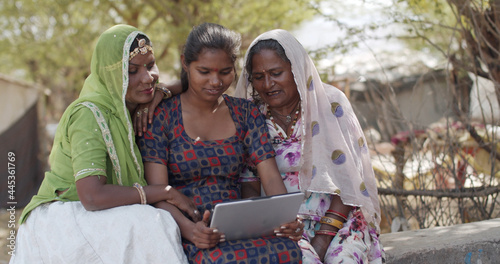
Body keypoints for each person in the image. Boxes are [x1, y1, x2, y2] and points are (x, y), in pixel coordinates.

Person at [10, 25, 190, 264]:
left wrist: (161, 92)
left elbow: (191, 83)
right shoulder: (89, 114)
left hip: (106, 211)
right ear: (110, 74)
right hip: (68, 216)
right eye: (132, 70)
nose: (147, 78)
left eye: (150, 65)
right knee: (152, 224)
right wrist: (164, 192)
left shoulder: (131, 106)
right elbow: (92, 197)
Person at [138, 23, 303, 264]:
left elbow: (269, 176)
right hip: (185, 225)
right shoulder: (161, 116)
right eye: (204, 71)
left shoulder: (245, 113)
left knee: (288, 251)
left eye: (225, 72)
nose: (215, 81)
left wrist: (286, 218)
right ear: (186, 63)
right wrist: (189, 230)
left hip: (238, 226)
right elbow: (158, 192)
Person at [234, 29, 385, 263]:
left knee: (342, 260)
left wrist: (323, 239)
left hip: (338, 220)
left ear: (297, 69)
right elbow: (249, 183)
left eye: (276, 73)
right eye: (258, 76)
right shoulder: (252, 116)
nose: (267, 84)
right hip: (282, 226)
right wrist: (275, 222)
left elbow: (348, 180)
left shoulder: (329, 104)